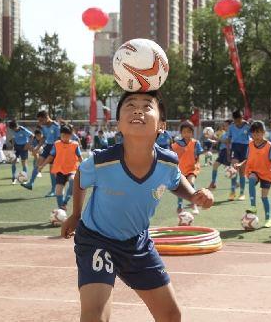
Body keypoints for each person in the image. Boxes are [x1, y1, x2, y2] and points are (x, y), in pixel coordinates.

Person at [60, 90, 213, 322]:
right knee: (95, 316)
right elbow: (81, 174)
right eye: (130, 105)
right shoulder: (103, 161)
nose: (138, 110)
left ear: (161, 125)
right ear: (119, 123)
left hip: (137, 242)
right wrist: (76, 214)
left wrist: (193, 195)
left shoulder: (168, 162)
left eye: (147, 106)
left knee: (171, 315)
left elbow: (174, 179)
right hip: (96, 240)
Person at [235, 120, 271, 228]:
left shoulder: (269, 145)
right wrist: (241, 164)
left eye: (259, 132)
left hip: (266, 173)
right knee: (252, 179)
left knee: (264, 197)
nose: (256, 135)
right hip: (254, 170)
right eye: (254, 133)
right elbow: (248, 158)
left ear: (263, 132)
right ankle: (253, 206)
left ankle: (268, 219)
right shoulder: (250, 144)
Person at [38, 124, 83, 211]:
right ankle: (61, 209)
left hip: (72, 169)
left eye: (67, 136)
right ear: (60, 135)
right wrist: (42, 166)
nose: (65, 138)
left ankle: (65, 202)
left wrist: (85, 167)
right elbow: (51, 156)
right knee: (58, 190)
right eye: (63, 136)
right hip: (60, 170)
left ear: (70, 135)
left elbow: (80, 157)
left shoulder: (75, 145)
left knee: (73, 180)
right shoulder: (57, 144)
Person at [21, 110, 61, 197]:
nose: (40, 122)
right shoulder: (44, 126)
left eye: (41, 120)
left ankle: (53, 190)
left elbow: (59, 140)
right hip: (48, 147)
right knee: (38, 164)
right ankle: (30, 183)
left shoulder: (56, 126)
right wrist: (37, 147)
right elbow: (44, 138)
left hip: (56, 148)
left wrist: (54, 151)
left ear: (46, 117)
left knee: (52, 170)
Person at [172, 121, 204, 215]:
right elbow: (171, 152)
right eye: (184, 132)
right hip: (180, 170)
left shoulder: (196, 143)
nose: (187, 134)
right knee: (180, 188)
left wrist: (197, 162)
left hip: (192, 169)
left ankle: (193, 204)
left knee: (190, 183)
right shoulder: (177, 144)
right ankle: (180, 206)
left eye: (189, 132)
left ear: (192, 133)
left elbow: (199, 154)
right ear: (181, 133)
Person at [227, 110, 251, 201]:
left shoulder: (247, 126)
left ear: (242, 118)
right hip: (235, 148)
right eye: (235, 120)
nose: (237, 122)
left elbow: (252, 136)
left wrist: (250, 124)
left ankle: (242, 193)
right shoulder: (231, 127)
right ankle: (232, 192)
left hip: (245, 148)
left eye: (239, 120)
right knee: (233, 170)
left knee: (242, 172)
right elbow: (229, 139)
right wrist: (228, 152)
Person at [208, 120, 232, 190]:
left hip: (227, 152)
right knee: (215, 165)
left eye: (226, 125)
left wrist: (217, 138)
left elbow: (226, 142)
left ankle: (236, 182)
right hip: (222, 152)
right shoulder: (225, 133)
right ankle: (213, 183)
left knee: (228, 169)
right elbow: (220, 141)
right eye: (224, 125)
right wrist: (213, 141)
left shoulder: (231, 134)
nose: (224, 126)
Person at [8, 120, 34, 185]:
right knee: (13, 162)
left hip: (24, 147)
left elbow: (32, 136)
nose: (13, 130)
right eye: (12, 129)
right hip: (16, 147)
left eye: (14, 128)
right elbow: (13, 138)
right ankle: (14, 178)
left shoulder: (23, 129)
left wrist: (28, 144)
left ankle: (24, 179)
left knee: (24, 163)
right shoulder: (12, 130)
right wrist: (12, 146)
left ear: (16, 126)